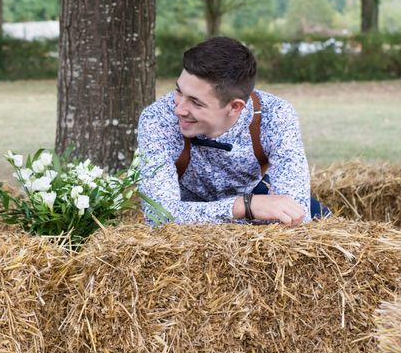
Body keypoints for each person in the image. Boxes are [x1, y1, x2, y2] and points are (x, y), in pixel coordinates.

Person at [138, 36, 327, 226]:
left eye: (196, 102)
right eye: (178, 91)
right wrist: (243, 206)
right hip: (191, 206)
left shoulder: (275, 114)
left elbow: (295, 214)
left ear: (235, 107)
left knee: (321, 221)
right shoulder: (157, 117)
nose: (178, 109)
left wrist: (254, 206)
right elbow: (159, 216)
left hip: (256, 198)